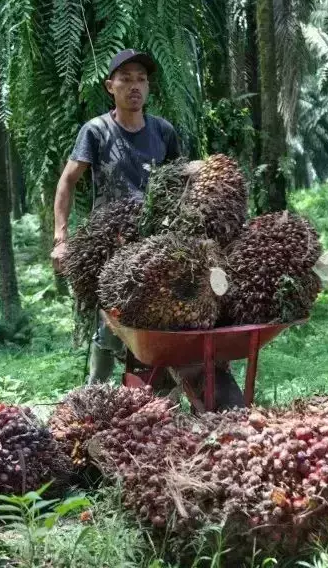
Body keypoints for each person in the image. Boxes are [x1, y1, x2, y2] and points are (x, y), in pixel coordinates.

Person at [50, 49, 244, 408]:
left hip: (154, 247)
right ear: (111, 86)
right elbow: (67, 182)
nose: (134, 86)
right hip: (107, 247)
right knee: (109, 327)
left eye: (141, 79)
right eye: (125, 79)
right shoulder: (96, 131)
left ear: (148, 86)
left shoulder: (163, 131)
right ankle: (94, 395)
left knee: (156, 328)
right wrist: (61, 239)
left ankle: (157, 400)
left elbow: (182, 184)